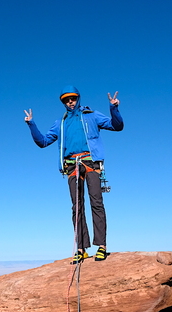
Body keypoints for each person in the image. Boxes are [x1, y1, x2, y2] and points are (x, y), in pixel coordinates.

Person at [24, 85, 123, 264]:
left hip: (91, 163)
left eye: (73, 98)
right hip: (72, 167)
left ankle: (101, 247)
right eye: (66, 99)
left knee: (97, 203)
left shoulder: (92, 115)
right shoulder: (60, 123)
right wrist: (31, 124)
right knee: (77, 208)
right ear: (63, 102)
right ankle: (81, 249)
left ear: (78, 98)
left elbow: (117, 126)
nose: (70, 102)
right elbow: (43, 142)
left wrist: (114, 108)